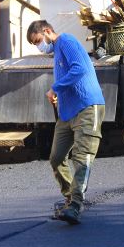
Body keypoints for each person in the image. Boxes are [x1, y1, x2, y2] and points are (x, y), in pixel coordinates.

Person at [27, 20, 106, 225]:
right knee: (56, 157)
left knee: (82, 157)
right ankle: (70, 197)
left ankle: (76, 205)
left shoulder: (67, 41)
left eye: (37, 41)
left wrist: (55, 88)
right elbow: (69, 78)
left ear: (46, 31)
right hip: (68, 114)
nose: (38, 46)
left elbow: (79, 68)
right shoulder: (57, 52)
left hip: (87, 107)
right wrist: (58, 97)